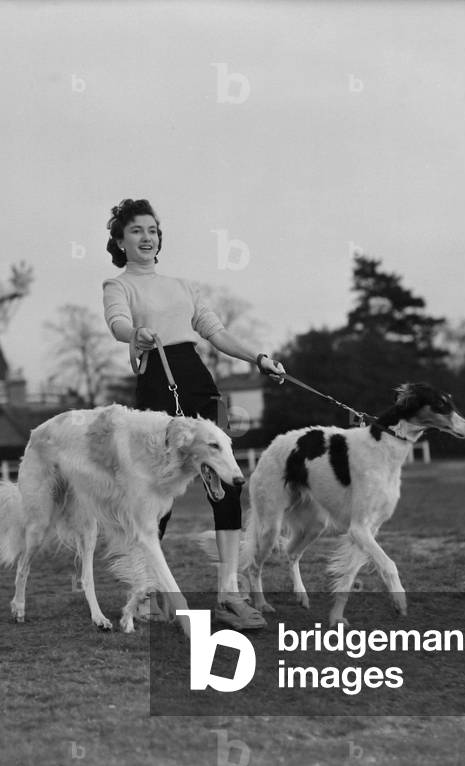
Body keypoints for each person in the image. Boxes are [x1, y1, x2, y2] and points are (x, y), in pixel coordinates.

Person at [101, 198, 286, 630]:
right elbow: (116, 324)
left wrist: (258, 358)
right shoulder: (118, 285)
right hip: (156, 386)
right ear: (119, 240)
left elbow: (216, 333)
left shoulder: (184, 286)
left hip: (198, 383)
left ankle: (230, 595)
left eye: (153, 229)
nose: (147, 237)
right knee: (158, 495)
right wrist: (137, 334)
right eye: (136, 231)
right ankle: (147, 593)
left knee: (227, 484)